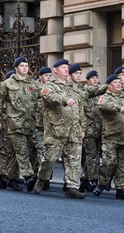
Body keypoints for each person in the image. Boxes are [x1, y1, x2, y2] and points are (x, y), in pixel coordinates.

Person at [33, 59, 86, 199]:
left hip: (74, 130)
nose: (66, 69)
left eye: (67, 67)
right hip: (56, 130)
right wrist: (64, 99)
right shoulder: (49, 86)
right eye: (63, 67)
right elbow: (48, 96)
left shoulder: (74, 87)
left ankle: (72, 187)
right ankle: (41, 179)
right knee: (49, 159)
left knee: (74, 160)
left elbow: (80, 109)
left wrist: (82, 128)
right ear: (55, 70)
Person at [0, 57, 39, 192]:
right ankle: (28, 176)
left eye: (27, 65)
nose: (25, 68)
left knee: (17, 153)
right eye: (22, 66)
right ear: (16, 68)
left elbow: (42, 96)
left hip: (29, 123)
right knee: (22, 151)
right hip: (14, 123)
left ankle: (11, 179)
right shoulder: (7, 84)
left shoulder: (33, 83)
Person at [92, 74, 124, 200]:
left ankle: (121, 188)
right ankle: (102, 183)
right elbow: (103, 105)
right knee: (109, 161)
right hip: (111, 136)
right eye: (115, 82)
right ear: (109, 85)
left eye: (119, 82)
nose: (119, 84)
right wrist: (118, 107)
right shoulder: (105, 97)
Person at [80, 70, 103, 192]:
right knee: (90, 155)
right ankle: (92, 180)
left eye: (96, 77)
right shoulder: (84, 92)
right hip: (88, 129)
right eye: (92, 78)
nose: (95, 79)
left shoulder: (101, 93)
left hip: (100, 129)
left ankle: (84, 179)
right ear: (87, 80)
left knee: (96, 155)